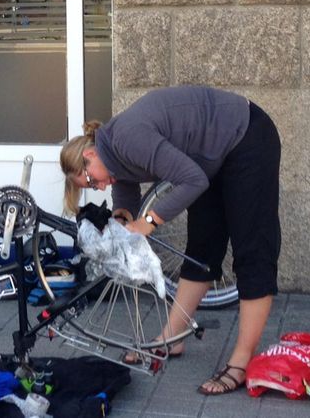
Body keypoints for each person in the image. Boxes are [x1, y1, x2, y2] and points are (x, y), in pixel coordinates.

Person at [60, 85, 281, 396]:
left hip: (246, 136)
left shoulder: (127, 137)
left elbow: (193, 180)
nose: (98, 186)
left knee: (252, 249)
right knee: (202, 249)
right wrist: (121, 223)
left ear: (89, 154)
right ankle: (171, 339)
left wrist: (149, 222)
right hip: (208, 158)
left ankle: (241, 363)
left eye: (91, 180)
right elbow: (125, 191)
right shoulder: (113, 150)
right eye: (93, 187)